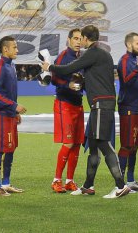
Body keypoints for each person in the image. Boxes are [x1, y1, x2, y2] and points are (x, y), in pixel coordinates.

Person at [42, 25, 131, 199]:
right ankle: (88, 186)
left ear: (85, 38)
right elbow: (96, 77)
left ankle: (121, 186)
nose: (79, 41)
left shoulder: (92, 53)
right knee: (93, 145)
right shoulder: (103, 53)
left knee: (103, 143)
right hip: (102, 104)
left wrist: (50, 67)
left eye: (80, 38)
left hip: (101, 104)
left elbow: (68, 68)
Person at [0, 36, 27, 196]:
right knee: (0, 149)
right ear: (5, 49)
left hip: (10, 114)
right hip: (1, 114)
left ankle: (6, 184)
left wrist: (15, 112)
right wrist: (13, 106)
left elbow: (9, 92)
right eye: (14, 47)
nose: (17, 50)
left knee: (10, 148)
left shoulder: (11, 65)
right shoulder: (0, 66)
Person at [50, 28, 84, 192]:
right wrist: (67, 85)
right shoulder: (63, 57)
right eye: (75, 38)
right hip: (65, 104)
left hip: (78, 104)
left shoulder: (81, 58)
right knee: (69, 142)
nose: (78, 41)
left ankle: (70, 180)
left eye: (80, 39)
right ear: (69, 40)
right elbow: (53, 79)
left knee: (76, 144)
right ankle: (56, 180)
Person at [117, 32, 138, 191]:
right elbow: (126, 81)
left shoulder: (135, 61)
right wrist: (137, 67)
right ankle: (120, 183)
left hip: (136, 107)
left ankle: (130, 181)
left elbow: (137, 85)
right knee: (126, 145)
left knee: (135, 145)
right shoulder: (124, 60)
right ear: (129, 45)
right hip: (127, 108)